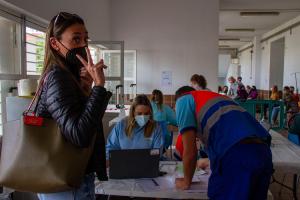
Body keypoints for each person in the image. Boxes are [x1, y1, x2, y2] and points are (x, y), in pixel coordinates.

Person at [36, 12, 110, 200]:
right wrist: (99, 88)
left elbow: (80, 120)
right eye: (76, 39)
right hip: (67, 184)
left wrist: (87, 88)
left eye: (86, 39)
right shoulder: (58, 77)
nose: (83, 46)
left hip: (70, 179)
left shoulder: (68, 76)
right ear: (55, 44)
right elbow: (79, 135)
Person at [174, 86, 273, 200]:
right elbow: (232, 135)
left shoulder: (182, 101)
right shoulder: (218, 98)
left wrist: (186, 182)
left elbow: (190, 151)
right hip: (262, 153)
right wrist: (209, 160)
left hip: (238, 159)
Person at [106, 95, 163, 159]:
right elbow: (111, 148)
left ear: (150, 113)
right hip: (124, 163)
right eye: (139, 113)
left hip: (147, 164)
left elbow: (158, 152)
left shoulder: (156, 127)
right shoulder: (121, 126)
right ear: (133, 112)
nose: (143, 117)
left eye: (146, 113)